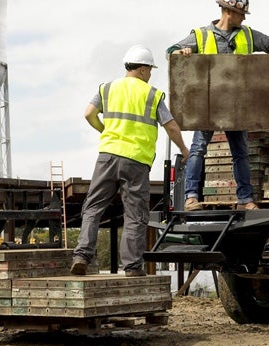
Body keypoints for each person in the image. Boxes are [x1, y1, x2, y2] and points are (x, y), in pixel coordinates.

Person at [167, 0, 269, 211]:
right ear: (229, 12)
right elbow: (172, 50)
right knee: (198, 149)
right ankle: (191, 197)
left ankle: (245, 200)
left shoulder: (247, 35)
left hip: (236, 106)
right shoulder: (201, 35)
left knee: (240, 152)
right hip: (209, 104)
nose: (244, 17)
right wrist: (180, 53)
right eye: (242, 13)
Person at [71, 45, 189, 277]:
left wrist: (105, 130)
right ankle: (133, 267)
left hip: (107, 156)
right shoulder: (152, 94)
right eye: (150, 70)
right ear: (144, 69)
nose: (150, 74)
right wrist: (184, 150)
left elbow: (88, 114)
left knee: (93, 207)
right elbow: (171, 126)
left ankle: (81, 256)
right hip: (136, 160)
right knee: (135, 214)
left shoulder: (107, 88)